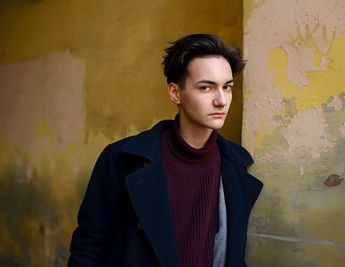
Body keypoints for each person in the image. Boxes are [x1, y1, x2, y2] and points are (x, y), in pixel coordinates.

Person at [68, 34, 263, 267]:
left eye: (227, 87)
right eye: (206, 88)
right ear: (175, 93)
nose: (221, 100)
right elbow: (89, 249)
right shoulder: (121, 159)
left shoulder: (235, 164)